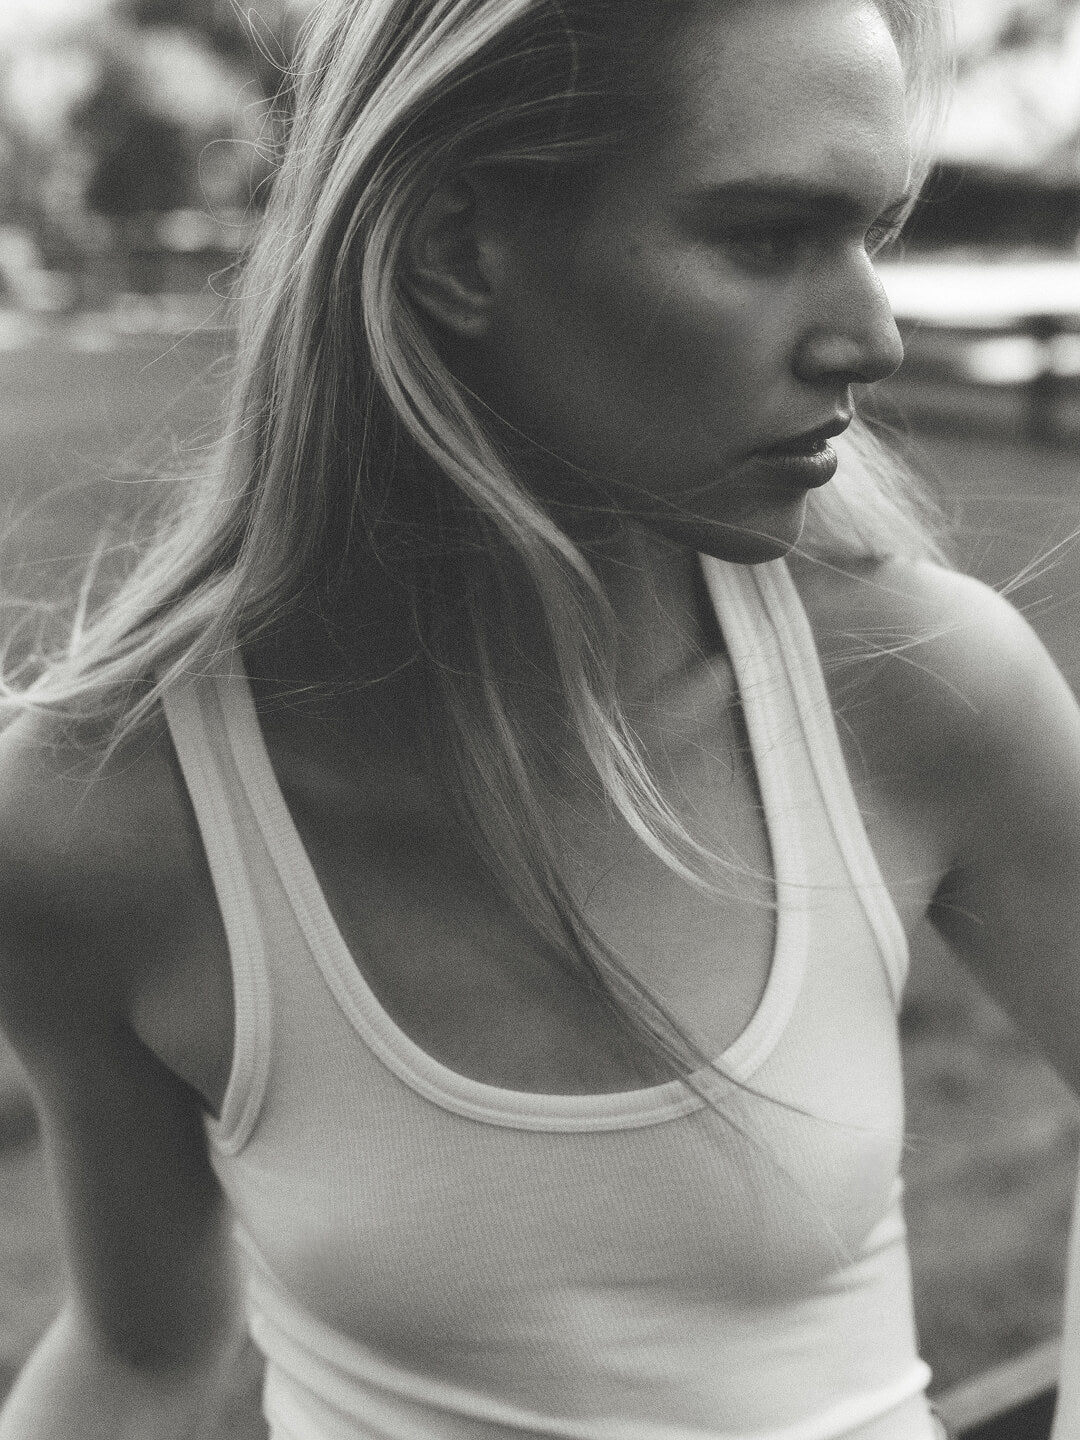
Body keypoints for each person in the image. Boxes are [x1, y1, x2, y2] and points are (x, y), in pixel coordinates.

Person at [2, 0, 1080, 1437]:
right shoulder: (106, 818)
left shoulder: (922, 689)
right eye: (766, 235)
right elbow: (141, 1356)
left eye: (872, 232)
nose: (871, 336)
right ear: (454, 247)